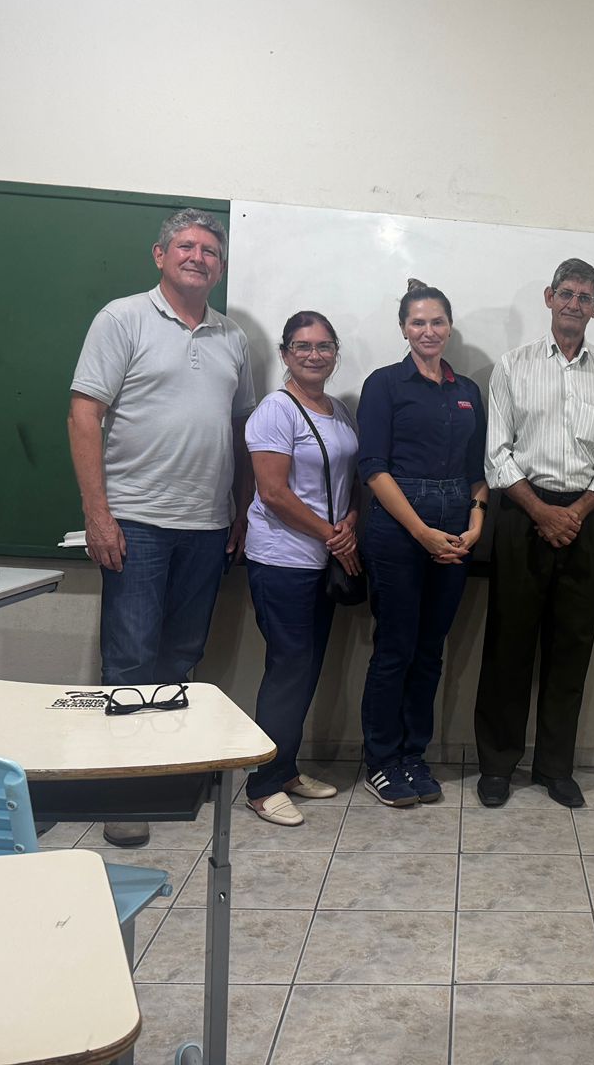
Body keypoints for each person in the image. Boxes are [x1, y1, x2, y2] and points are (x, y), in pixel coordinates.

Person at [68, 208, 254, 848]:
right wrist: (98, 514)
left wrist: (239, 509)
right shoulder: (121, 319)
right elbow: (84, 414)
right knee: (129, 660)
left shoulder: (233, 337)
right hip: (137, 521)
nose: (198, 257)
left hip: (207, 525)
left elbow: (239, 428)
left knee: (181, 657)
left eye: (210, 250)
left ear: (220, 267)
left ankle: (164, 776)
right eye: (186, 246)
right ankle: (123, 793)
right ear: (160, 255)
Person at [474, 259, 594, 809]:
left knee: (572, 649)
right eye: (566, 293)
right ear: (549, 297)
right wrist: (542, 512)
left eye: (585, 297)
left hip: (585, 521)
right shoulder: (512, 366)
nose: (573, 304)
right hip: (522, 514)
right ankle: (497, 765)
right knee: (508, 647)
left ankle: (554, 768)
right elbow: (496, 455)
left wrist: (574, 513)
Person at [356, 279, 489, 807]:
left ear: (449, 327)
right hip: (398, 533)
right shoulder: (384, 384)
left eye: (437, 322)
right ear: (403, 329)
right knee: (395, 649)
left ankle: (414, 754)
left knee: (430, 651)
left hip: (456, 533)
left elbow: (477, 471)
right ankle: (382, 761)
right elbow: (373, 469)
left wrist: (476, 522)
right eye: (418, 322)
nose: (428, 331)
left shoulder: (467, 390)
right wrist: (421, 532)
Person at [241, 311, 361, 827]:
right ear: (286, 354)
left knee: (306, 667)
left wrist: (350, 522)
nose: (315, 355)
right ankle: (263, 785)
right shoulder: (276, 410)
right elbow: (272, 492)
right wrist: (333, 534)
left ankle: (286, 769)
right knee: (288, 669)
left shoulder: (339, 410)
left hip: (324, 560)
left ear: (335, 352)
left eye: (324, 346)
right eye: (303, 346)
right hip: (282, 560)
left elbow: (351, 481)